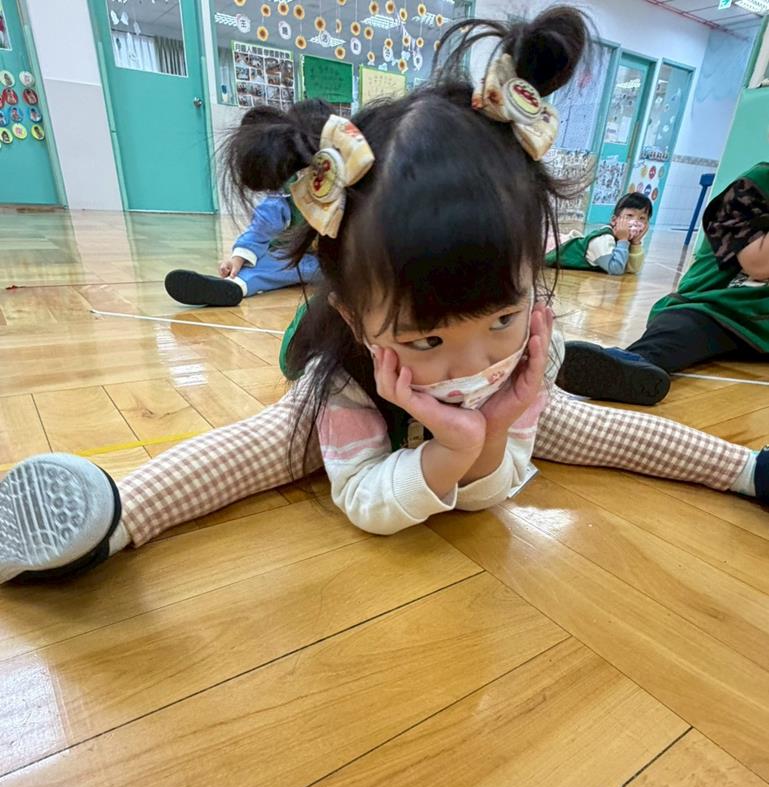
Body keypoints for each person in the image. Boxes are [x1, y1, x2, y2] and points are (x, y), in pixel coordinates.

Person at [1, 8, 768, 584]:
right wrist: (448, 453)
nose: (468, 365)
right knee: (260, 447)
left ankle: (746, 467)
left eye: (502, 315)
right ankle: (112, 517)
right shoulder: (343, 378)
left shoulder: (516, 356)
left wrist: (490, 430)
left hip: (521, 391)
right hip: (363, 387)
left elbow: (496, 488)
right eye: (427, 338)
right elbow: (367, 501)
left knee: (601, 427)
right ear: (354, 313)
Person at [558, 162, 769, 405]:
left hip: (762, 323)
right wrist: (625, 243)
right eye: (629, 217)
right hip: (714, 308)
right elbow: (758, 264)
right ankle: (628, 363)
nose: (636, 222)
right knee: (675, 333)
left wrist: (632, 244)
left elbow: (631, 265)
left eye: (642, 218)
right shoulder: (750, 188)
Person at [164, 121, 321, 308]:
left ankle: (238, 283)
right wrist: (238, 257)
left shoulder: (344, 186)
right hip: (292, 256)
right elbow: (261, 227)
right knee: (274, 263)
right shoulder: (287, 190)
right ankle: (234, 285)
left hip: (331, 262)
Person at [545, 193, 651, 276]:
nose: (636, 222)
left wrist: (635, 243)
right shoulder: (604, 239)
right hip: (553, 248)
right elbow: (615, 269)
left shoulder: (623, 240)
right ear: (614, 220)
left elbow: (632, 269)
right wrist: (623, 240)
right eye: (630, 215)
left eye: (642, 218)